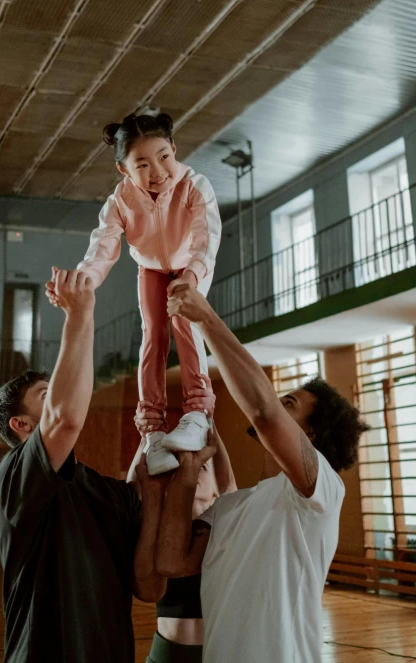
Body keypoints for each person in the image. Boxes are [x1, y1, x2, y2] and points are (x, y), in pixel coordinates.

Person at [156, 283, 370, 663]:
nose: (277, 405)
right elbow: (173, 562)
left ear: (309, 435)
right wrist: (187, 475)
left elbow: (264, 412)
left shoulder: (322, 492)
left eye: (289, 403)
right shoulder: (230, 508)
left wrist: (206, 318)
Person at [0, 269, 165, 663]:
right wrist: (80, 314)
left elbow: (150, 589)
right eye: (45, 394)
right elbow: (65, 418)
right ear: (22, 425)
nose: (59, 397)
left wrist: (153, 492)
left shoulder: (111, 493)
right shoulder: (12, 476)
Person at [48, 111, 222, 475]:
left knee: (185, 324)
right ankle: (153, 431)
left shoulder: (195, 185)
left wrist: (192, 276)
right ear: (124, 170)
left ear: (174, 149)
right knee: (152, 338)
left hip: (190, 266)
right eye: (142, 163)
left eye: (163, 156)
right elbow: (102, 249)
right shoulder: (120, 202)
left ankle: (198, 413)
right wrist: (82, 281)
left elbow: (207, 238)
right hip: (152, 269)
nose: (158, 170)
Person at [128, 399, 237, 663]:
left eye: (200, 465)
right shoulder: (159, 529)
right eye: (178, 464)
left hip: (222, 653)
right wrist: (146, 438)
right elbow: (134, 485)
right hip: (171, 655)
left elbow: (227, 481)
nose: (189, 466)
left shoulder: (220, 522)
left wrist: (209, 418)